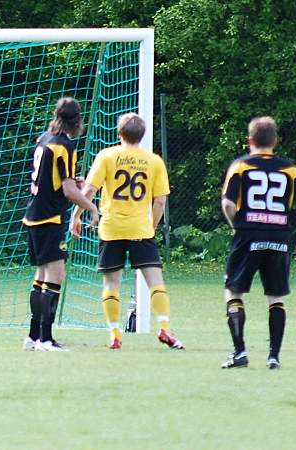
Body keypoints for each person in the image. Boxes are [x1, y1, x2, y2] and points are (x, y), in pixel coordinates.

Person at [70, 112, 183, 350]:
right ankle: (164, 327)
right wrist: (150, 228)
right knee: (155, 281)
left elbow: (89, 190)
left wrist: (76, 216)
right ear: (142, 135)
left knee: (112, 283)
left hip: (111, 227)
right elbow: (160, 201)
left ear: (119, 133)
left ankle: (115, 334)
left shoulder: (107, 156)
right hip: (140, 228)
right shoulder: (154, 161)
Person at [220, 115, 296, 369]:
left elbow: (228, 204)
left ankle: (239, 352)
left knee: (233, 291)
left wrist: (236, 225)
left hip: (248, 235)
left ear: (250, 140)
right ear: (275, 141)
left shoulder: (241, 166)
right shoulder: (290, 169)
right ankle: (273, 357)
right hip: (279, 237)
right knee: (276, 297)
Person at [22, 97, 99, 352]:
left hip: (34, 213)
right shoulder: (64, 146)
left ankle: (33, 336)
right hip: (50, 217)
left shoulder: (44, 139)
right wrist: (91, 207)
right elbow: (68, 191)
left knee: (42, 275)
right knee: (55, 275)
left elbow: (52, 179)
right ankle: (46, 339)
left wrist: (72, 182)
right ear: (77, 120)